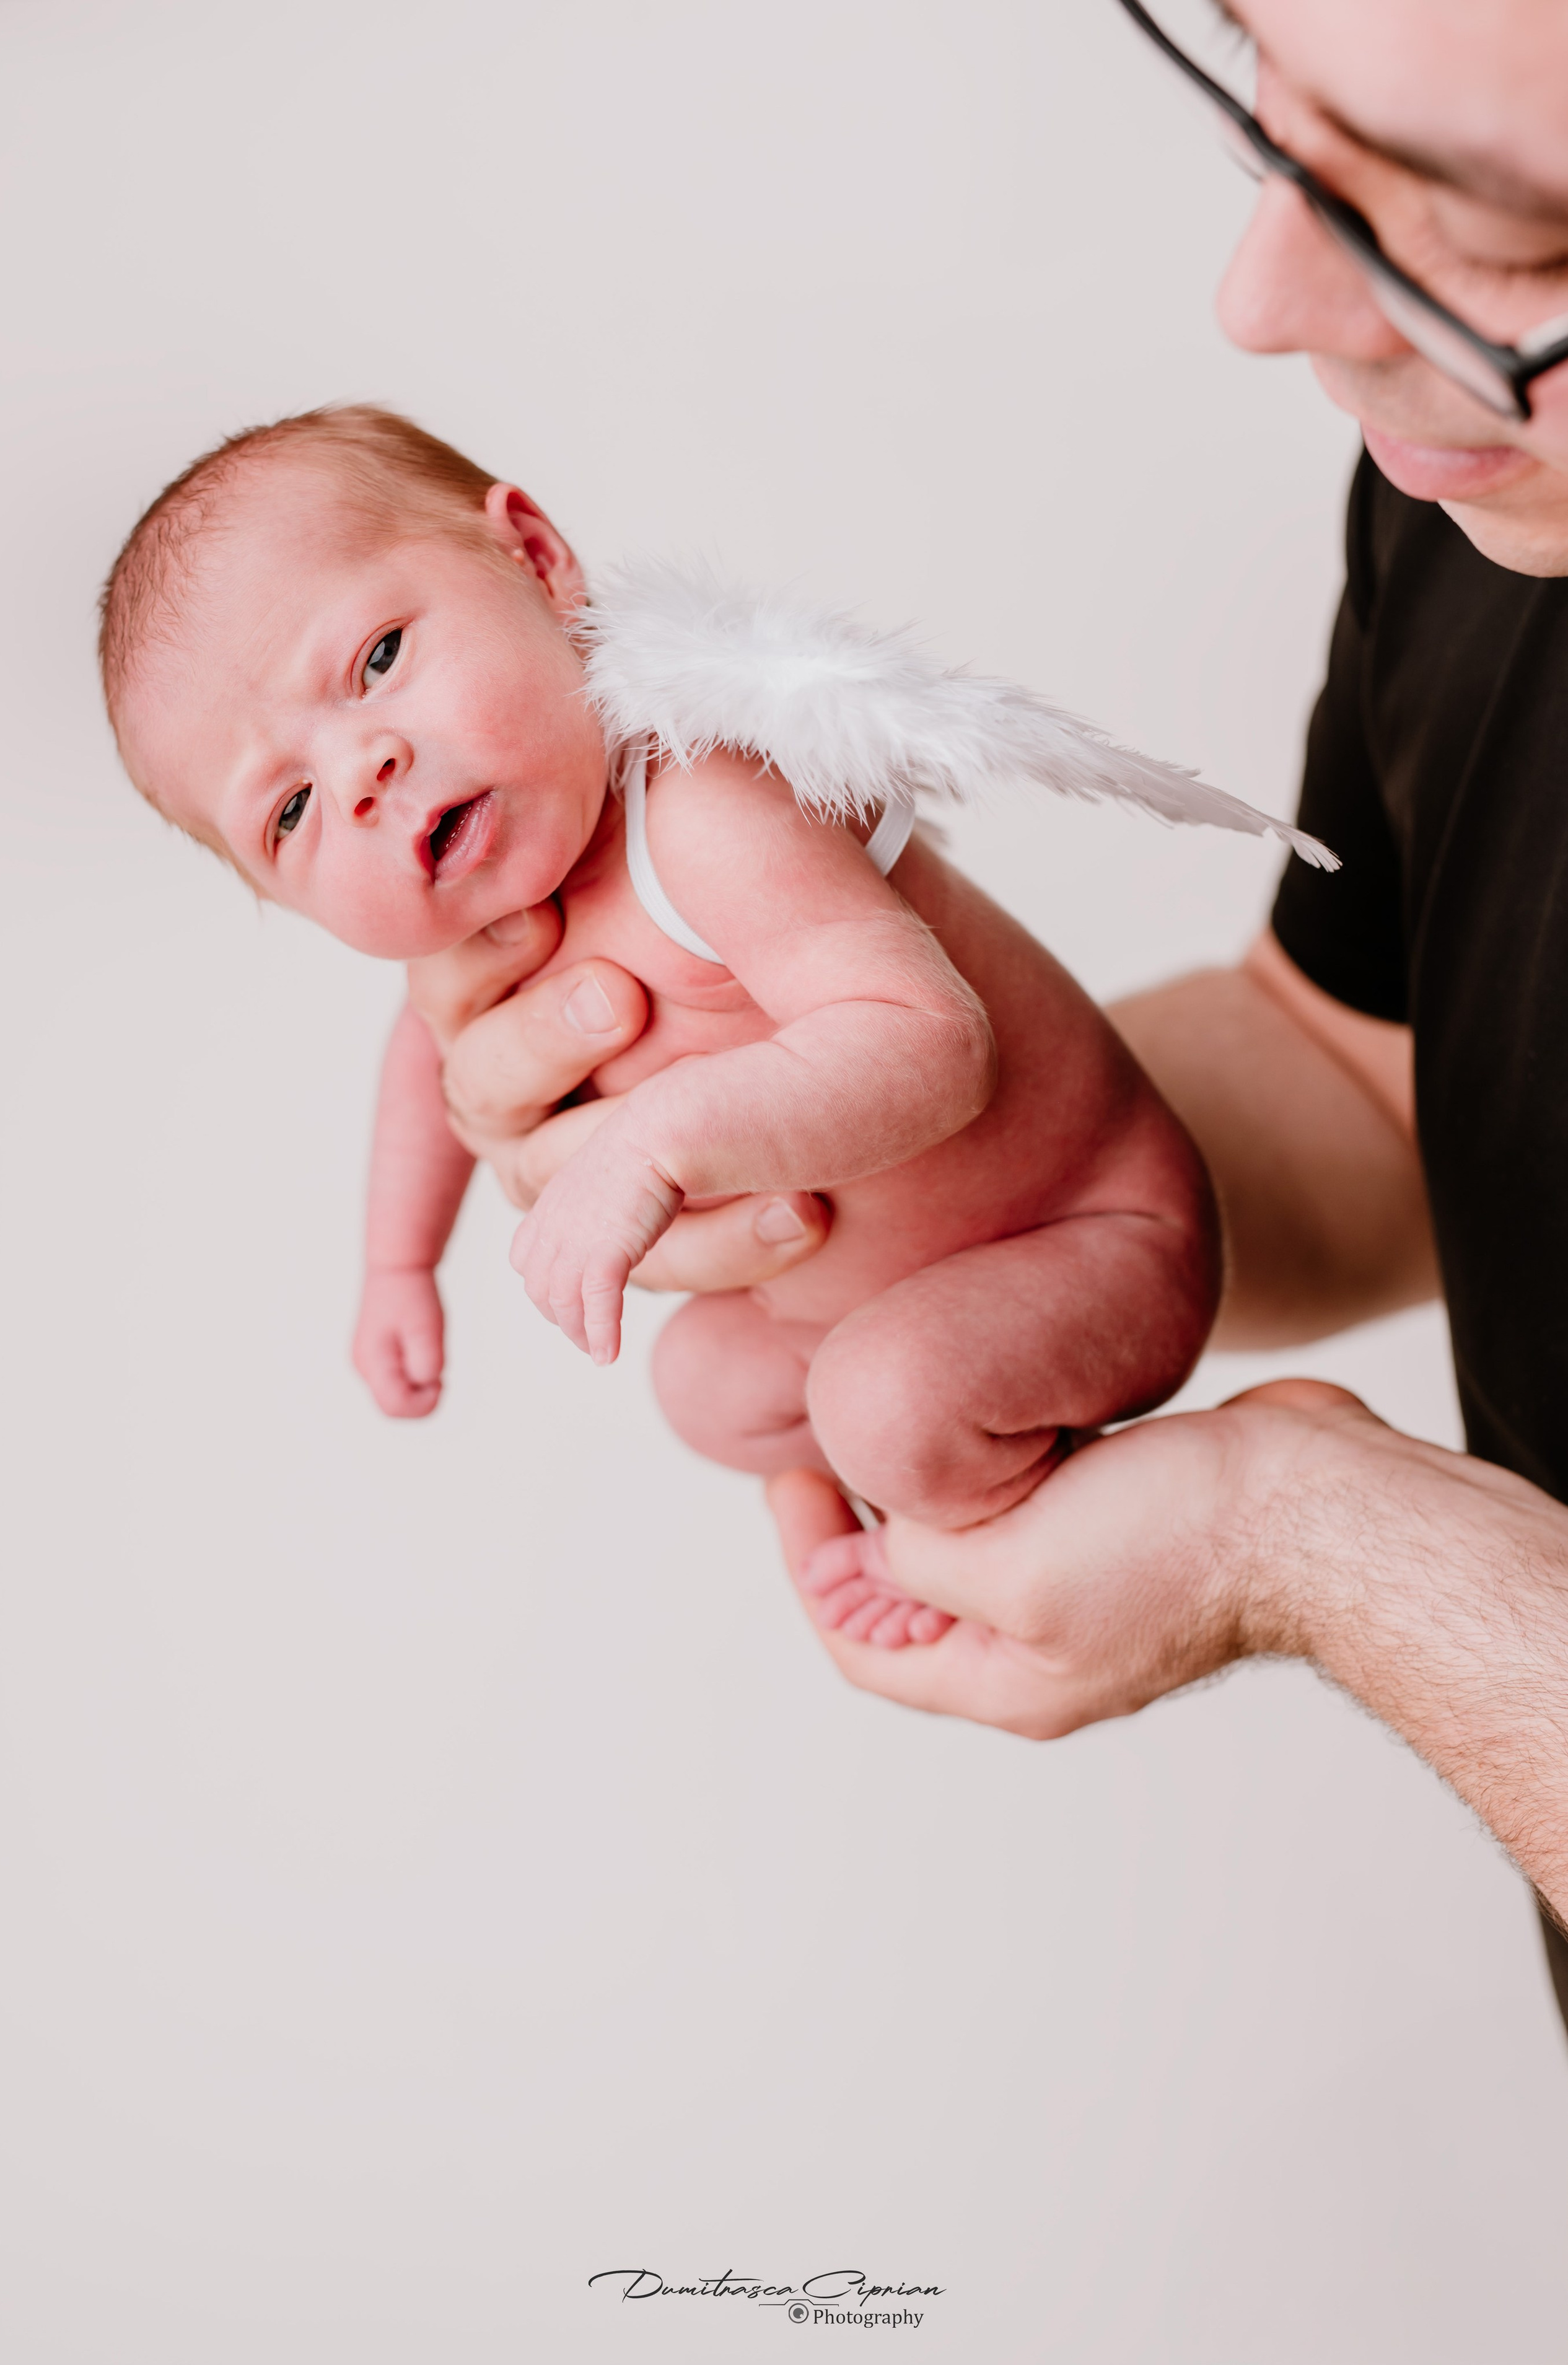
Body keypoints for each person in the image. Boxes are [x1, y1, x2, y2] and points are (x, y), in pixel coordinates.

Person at [408, 0, 1568, 1991]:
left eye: (1484, 225)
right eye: (1275, 117)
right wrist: (865, 1128)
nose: (1266, 299)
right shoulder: (1484, 480)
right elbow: (1375, 1080)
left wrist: (1298, 1540)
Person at [104, 403, 1347, 1623]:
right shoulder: (477, 938)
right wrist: (399, 1264)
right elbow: (425, 1071)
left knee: (883, 1400)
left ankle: (997, 1543)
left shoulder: (698, 806)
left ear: (533, 558)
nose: (361, 773)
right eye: (289, 811)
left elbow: (931, 1043)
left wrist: (652, 1146)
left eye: (378, 659)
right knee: (702, 1385)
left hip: (1092, 1231)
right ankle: (869, 1515)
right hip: (899, 1301)